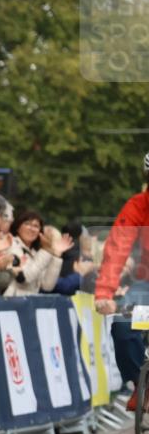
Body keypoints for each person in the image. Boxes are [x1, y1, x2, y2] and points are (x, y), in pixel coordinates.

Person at [95, 152, 149, 400]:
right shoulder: (138, 206)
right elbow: (117, 248)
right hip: (146, 286)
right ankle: (144, 387)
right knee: (124, 327)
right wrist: (105, 293)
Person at [3, 210, 73, 297]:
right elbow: (26, 278)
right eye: (27, 224)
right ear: (17, 227)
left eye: (36, 226)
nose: (32, 229)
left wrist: (56, 255)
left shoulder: (36, 252)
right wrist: (46, 251)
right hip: (11, 302)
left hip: (30, 303)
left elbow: (47, 286)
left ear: (40, 231)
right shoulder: (11, 244)